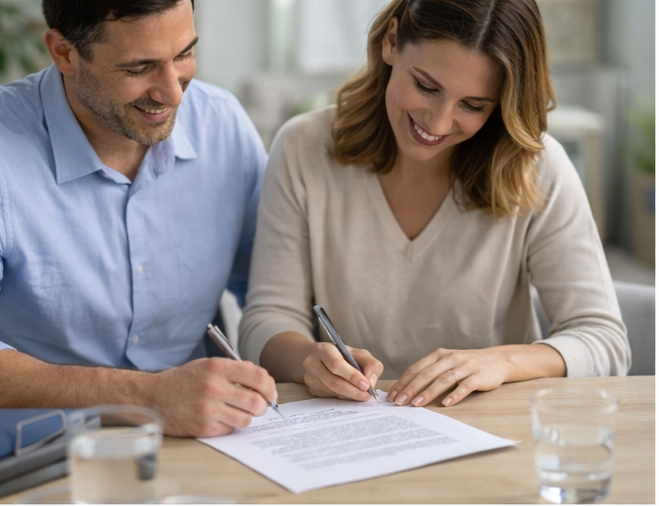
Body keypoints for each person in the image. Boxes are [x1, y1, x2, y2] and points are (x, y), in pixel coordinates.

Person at [0, 0, 275, 438]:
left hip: (204, 441)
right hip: (32, 447)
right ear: (64, 53)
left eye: (184, 54)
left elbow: (271, 294)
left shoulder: (222, 125)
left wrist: (308, 352)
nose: (173, 93)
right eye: (138, 68)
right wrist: (143, 397)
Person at [239, 0, 627, 410]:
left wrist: (501, 361)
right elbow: (266, 319)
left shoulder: (538, 167)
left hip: (495, 436)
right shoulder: (303, 147)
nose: (438, 124)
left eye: (473, 105)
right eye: (426, 86)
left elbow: (603, 339)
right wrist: (306, 360)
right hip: (346, 427)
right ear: (391, 42)